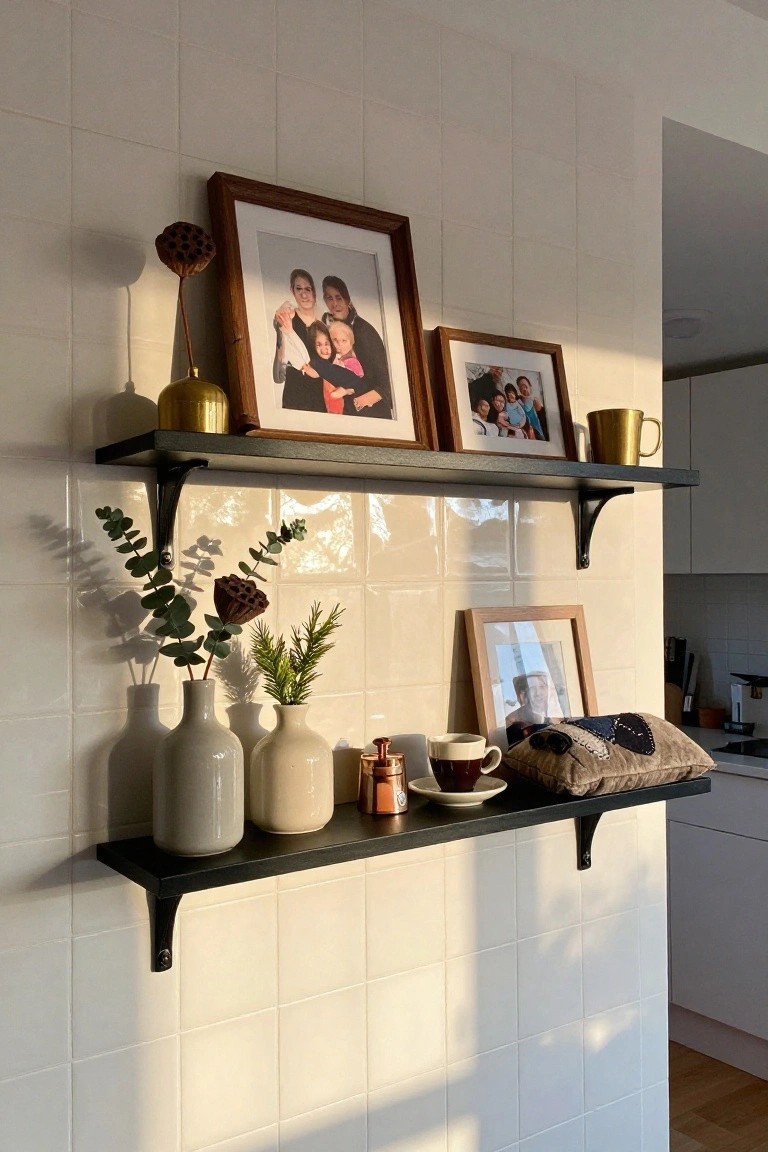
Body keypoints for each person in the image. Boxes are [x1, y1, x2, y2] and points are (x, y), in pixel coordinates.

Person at [321, 275, 393, 417]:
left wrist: (365, 398)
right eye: (330, 298)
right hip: (341, 407)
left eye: (339, 297)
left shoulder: (364, 330)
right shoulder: (327, 328)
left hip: (369, 410)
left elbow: (386, 377)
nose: (335, 303)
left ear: (347, 299)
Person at [273, 269, 325, 412]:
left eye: (308, 289)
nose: (303, 294)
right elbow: (284, 354)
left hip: (322, 392)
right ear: (292, 290)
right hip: (296, 390)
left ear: (314, 291)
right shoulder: (287, 318)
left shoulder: (325, 320)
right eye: (299, 289)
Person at [505, 671, 552, 748]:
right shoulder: (512, 722)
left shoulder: (556, 715)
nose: (538, 693)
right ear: (525, 693)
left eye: (542, 687)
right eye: (532, 688)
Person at [516, 375, 547, 440]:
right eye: (521, 387)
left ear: (530, 386)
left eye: (525, 386)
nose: (524, 389)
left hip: (540, 434)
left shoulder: (536, 401)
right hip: (527, 435)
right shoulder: (519, 403)